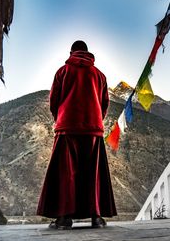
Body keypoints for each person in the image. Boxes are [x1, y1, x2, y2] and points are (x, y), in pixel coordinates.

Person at [37, 40, 117, 229]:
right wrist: (95, 120)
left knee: (67, 173)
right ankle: (96, 218)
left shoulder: (62, 71)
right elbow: (105, 103)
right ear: (87, 53)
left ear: (72, 52)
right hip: (93, 129)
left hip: (67, 128)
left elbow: (54, 100)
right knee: (93, 173)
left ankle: (64, 219)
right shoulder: (100, 75)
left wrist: (61, 118)